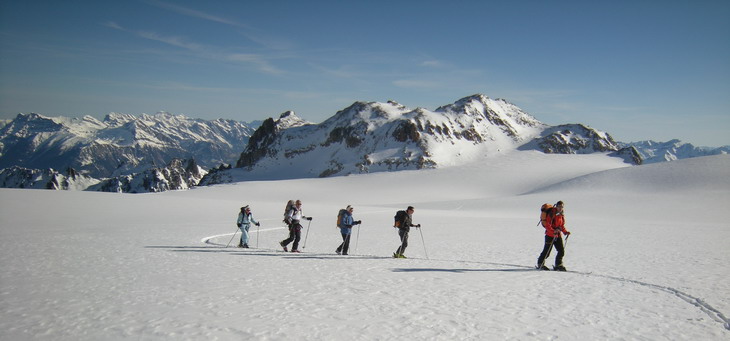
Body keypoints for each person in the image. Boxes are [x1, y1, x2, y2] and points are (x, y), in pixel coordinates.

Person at [536, 201, 571, 271]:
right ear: (556, 206)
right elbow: (548, 225)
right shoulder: (552, 213)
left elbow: (561, 225)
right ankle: (540, 263)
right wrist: (553, 231)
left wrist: (565, 232)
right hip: (550, 235)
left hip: (557, 235)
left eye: (561, 207)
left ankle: (558, 264)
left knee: (561, 251)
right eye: (559, 206)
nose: (560, 208)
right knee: (547, 251)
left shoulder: (561, 214)